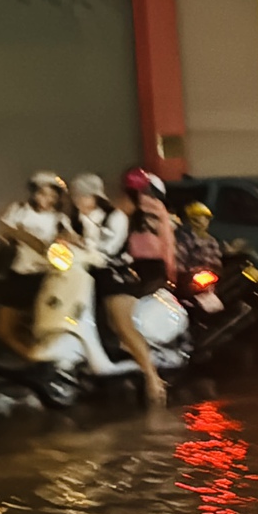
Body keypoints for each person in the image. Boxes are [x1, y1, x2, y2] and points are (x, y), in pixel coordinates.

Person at [71, 172, 167, 406]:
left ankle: (153, 377)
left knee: (123, 326)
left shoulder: (115, 217)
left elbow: (107, 250)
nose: (78, 202)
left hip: (115, 276)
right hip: (86, 279)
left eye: (83, 197)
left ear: (95, 196)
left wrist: (79, 244)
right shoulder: (75, 219)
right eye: (75, 198)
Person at [117, 168, 178, 405]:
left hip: (136, 265)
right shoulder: (158, 210)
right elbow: (168, 245)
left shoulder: (127, 207)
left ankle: (144, 362)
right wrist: (171, 275)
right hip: (153, 267)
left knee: (133, 314)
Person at [0, 172, 70, 359]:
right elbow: (5, 230)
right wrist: (23, 238)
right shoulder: (18, 210)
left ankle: (38, 360)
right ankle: (31, 357)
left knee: (40, 328)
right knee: (4, 329)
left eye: (53, 195)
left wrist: (24, 235)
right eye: (43, 193)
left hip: (45, 278)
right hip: (19, 274)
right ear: (34, 193)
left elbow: (60, 245)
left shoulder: (59, 219)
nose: (48, 199)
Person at [176, 201, 224, 288]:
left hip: (207, 283)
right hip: (187, 282)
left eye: (208, 218)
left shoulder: (211, 241)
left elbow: (216, 263)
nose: (207, 221)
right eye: (204, 217)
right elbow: (179, 261)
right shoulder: (184, 237)